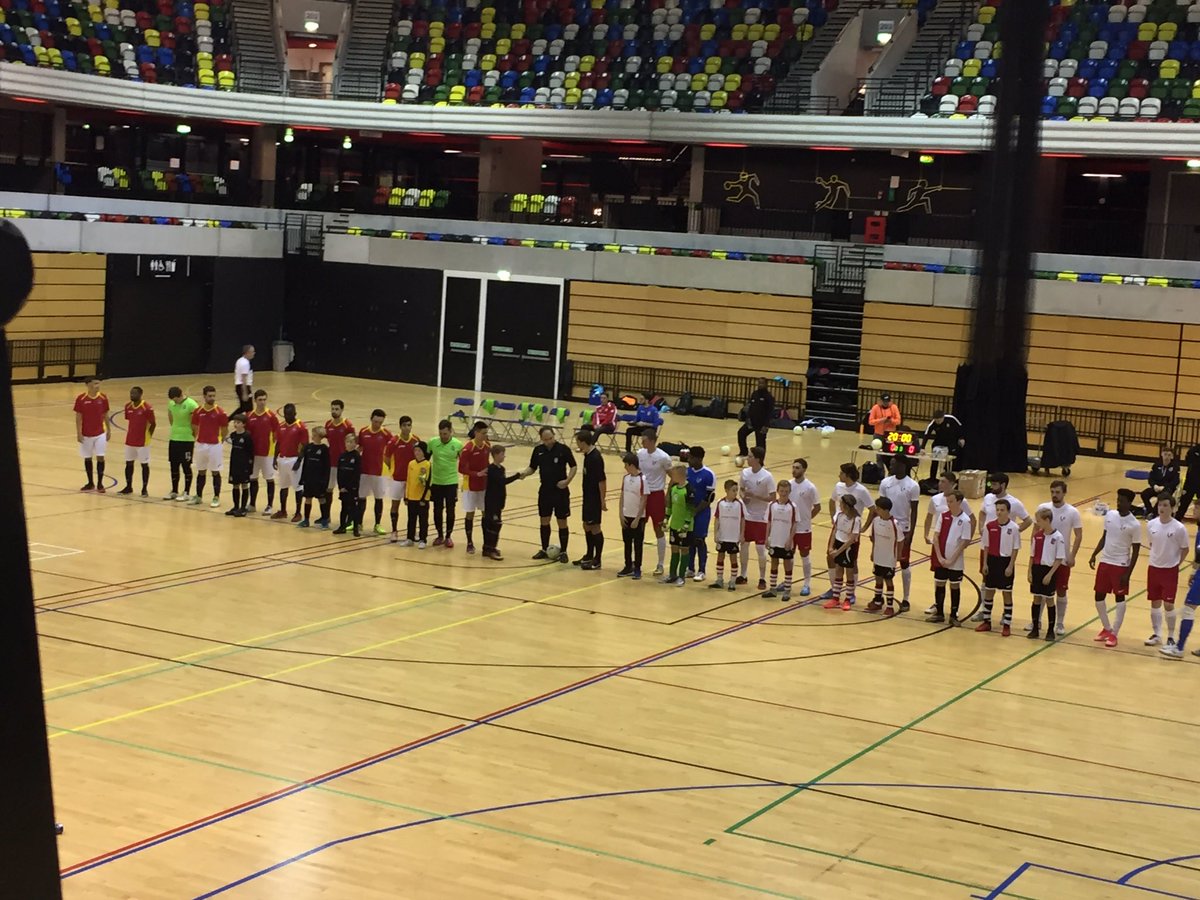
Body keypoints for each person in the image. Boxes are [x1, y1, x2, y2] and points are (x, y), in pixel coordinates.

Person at [1088, 487, 1143, 648]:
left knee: (1119, 598)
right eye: (1118, 500)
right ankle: (1107, 628)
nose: (1118, 503)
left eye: (1122, 501)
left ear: (1129, 503)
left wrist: (1128, 573)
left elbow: (1136, 552)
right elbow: (1104, 537)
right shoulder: (1110, 515)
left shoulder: (1134, 525)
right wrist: (1094, 554)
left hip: (1120, 565)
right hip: (1105, 561)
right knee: (1099, 596)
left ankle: (1115, 633)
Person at [1033, 480, 1083, 635]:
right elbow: (1035, 531)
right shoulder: (1043, 508)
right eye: (1052, 492)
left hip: (1062, 559)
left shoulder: (1072, 512)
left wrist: (1072, 555)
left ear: (1064, 493)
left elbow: (1078, 535)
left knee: (1061, 591)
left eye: (1057, 492)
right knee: (1040, 591)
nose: (1054, 495)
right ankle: (1037, 621)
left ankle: (1059, 623)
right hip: (1044, 558)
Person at [520, 425, 578, 561]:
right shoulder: (538, 450)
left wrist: (567, 481)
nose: (549, 442)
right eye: (545, 440)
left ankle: (563, 552)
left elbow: (573, 466)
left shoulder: (563, 449)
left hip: (560, 491)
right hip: (545, 490)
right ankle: (544, 549)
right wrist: (524, 473)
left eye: (551, 438)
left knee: (562, 520)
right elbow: (532, 467)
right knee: (544, 520)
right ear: (541, 439)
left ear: (554, 436)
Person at [818, 462, 874, 601]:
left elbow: (872, 509)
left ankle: (851, 592)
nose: (839, 475)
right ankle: (834, 588)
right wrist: (833, 518)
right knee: (831, 556)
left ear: (847, 475)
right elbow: (832, 501)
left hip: (852, 529)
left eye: (841, 473)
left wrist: (865, 527)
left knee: (851, 562)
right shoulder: (838, 486)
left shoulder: (861, 490)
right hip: (839, 526)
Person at [874, 456, 921, 612]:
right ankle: (878, 597)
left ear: (902, 466)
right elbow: (879, 506)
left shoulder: (913, 486)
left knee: (904, 563)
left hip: (902, 528)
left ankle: (906, 598)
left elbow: (914, 511)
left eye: (893, 464)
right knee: (881, 562)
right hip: (885, 526)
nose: (890, 466)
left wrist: (911, 533)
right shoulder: (885, 483)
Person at [1145, 495, 1191, 651]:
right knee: (1155, 602)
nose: (1162, 508)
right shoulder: (1151, 524)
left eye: (1165, 505)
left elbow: (1185, 549)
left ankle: (1171, 637)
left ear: (1172, 508)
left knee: (1169, 604)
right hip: (1153, 568)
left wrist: (1177, 564)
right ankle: (1157, 634)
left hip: (1170, 570)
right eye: (1160, 505)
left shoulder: (1179, 528)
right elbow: (1152, 543)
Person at [926, 490, 973, 626]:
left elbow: (964, 542)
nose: (949, 504)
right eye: (947, 501)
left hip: (956, 561)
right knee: (939, 583)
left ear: (959, 502)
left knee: (954, 585)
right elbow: (936, 536)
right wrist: (940, 557)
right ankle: (939, 613)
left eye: (951, 501)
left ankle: (953, 615)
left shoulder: (965, 520)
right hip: (941, 558)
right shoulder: (943, 516)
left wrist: (952, 560)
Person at [976, 498, 1021, 635]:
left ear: (1008, 511)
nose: (999, 512)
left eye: (1002, 510)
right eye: (997, 510)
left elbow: (1015, 548)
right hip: (992, 561)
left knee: (1007, 593)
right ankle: (987, 621)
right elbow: (986, 546)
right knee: (989, 591)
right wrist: (985, 564)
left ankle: (1006, 624)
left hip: (1005, 562)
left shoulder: (1014, 528)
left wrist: (1010, 566)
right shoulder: (989, 526)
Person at [739, 446, 776, 591]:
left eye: (750, 456)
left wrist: (755, 496)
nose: (747, 459)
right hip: (747, 515)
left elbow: (772, 497)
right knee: (744, 545)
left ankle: (762, 578)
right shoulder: (745, 473)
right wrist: (744, 497)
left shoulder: (767, 476)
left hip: (761, 517)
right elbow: (741, 489)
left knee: (760, 549)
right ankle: (743, 575)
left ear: (758, 459)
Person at [637, 429, 673, 575]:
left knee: (658, 529)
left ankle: (660, 564)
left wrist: (668, 495)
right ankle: (636, 562)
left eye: (644, 440)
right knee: (639, 527)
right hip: (642, 494)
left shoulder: (663, 457)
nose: (642, 442)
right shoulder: (640, 454)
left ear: (652, 441)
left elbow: (673, 477)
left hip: (656, 495)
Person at [1028, 508, 1067, 641]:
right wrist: (1030, 571)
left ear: (1047, 520)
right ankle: (1035, 628)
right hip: (1037, 569)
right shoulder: (1037, 536)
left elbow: (1059, 558)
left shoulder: (1058, 537)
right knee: (1036, 598)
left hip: (1049, 570)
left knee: (1049, 599)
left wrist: (1050, 574)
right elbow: (1032, 556)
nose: (1037, 523)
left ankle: (1050, 630)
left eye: (1039, 521)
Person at [787, 458, 821, 597]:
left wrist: (807, 519)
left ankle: (807, 584)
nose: (794, 470)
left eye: (797, 468)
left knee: (804, 555)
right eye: (793, 467)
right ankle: (787, 582)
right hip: (790, 528)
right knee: (788, 555)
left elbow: (817, 507)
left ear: (804, 470)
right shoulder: (789, 485)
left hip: (804, 529)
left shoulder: (810, 487)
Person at [190, 385, 228, 508]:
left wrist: (220, 441)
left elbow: (224, 429)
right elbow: (194, 426)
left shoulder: (220, 412)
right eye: (209, 396)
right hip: (201, 444)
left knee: (215, 471)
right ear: (204, 396)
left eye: (213, 396)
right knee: (201, 471)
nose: (212, 398)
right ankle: (198, 496)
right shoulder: (198, 411)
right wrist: (197, 438)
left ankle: (216, 497)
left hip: (214, 446)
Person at [357, 409, 393, 535]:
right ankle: (358, 523)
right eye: (375, 421)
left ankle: (377, 524)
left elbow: (391, 450)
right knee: (361, 497)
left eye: (380, 422)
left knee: (378, 498)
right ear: (371, 419)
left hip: (379, 472)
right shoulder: (363, 431)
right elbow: (360, 447)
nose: (377, 424)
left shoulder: (386, 434)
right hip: (364, 470)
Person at [481, 445, 521, 560]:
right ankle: (489, 549)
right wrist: (517, 476)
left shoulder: (501, 469)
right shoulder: (491, 469)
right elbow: (502, 482)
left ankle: (490, 548)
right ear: (495, 455)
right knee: (494, 525)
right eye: (502, 454)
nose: (504, 456)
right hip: (491, 501)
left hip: (499, 501)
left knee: (495, 524)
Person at [429, 419, 464, 548]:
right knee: (437, 510)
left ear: (450, 431)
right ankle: (439, 535)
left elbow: (464, 462)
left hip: (451, 482)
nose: (442, 436)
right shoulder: (432, 443)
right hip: (436, 482)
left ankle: (448, 536)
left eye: (445, 434)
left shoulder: (458, 445)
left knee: (450, 510)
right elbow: (424, 460)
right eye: (440, 434)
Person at [575, 429, 607, 570]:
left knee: (595, 527)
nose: (577, 444)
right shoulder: (587, 455)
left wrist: (602, 500)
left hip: (594, 498)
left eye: (578, 442)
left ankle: (597, 560)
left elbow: (602, 480)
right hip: (587, 496)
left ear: (583, 442)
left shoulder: (595, 458)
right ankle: (589, 555)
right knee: (586, 525)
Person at [271, 404, 308, 523]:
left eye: (290, 414)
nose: (287, 416)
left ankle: (298, 512)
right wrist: (274, 458)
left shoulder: (301, 427)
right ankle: (283, 510)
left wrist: (299, 460)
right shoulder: (281, 426)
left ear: (295, 413)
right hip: (282, 459)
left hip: (294, 459)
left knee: (297, 487)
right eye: (286, 414)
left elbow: (305, 446)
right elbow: (278, 443)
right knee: (283, 486)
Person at [386, 416, 420, 544]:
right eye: (404, 425)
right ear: (400, 427)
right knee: (395, 505)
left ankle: (412, 531)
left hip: (411, 480)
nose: (407, 428)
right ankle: (394, 531)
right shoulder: (394, 441)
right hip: (397, 479)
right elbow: (386, 457)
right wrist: (393, 469)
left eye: (409, 425)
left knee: (412, 507)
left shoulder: (415, 440)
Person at [74, 376, 111, 493]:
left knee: (100, 456)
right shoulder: (81, 398)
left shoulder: (103, 398)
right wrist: (79, 433)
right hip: (86, 434)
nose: (97, 386)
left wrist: (109, 430)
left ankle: (100, 483)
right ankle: (90, 482)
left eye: (98, 383)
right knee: (87, 457)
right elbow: (78, 417)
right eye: (95, 384)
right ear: (88, 385)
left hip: (100, 433)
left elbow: (105, 414)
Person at [458, 421, 490, 553]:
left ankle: (487, 543)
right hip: (470, 486)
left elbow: (487, 462)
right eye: (483, 433)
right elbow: (461, 469)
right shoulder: (468, 448)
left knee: (485, 513)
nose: (485, 436)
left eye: (486, 433)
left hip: (483, 485)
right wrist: (477, 474)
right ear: (476, 433)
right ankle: (469, 543)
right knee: (470, 514)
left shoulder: (487, 445)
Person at [245, 390, 279, 515]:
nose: (262, 402)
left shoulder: (271, 416)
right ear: (255, 400)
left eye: (264, 399)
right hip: (253, 453)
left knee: (269, 479)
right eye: (260, 400)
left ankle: (269, 505)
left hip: (267, 454)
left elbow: (276, 434)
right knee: (253, 478)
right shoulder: (249, 416)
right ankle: (252, 504)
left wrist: (273, 451)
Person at [825, 494, 861, 611]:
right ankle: (835, 598)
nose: (839, 505)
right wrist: (831, 547)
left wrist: (838, 552)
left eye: (841, 503)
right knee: (838, 571)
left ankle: (848, 599)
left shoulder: (856, 520)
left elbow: (852, 539)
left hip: (848, 548)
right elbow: (835, 531)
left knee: (849, 573)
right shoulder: (840, 516)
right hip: (838, 544)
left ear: (846, 505)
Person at [686, 446, 716, 582]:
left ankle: (701, 570)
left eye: (691, 458)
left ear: (698, 459)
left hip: (702, 512)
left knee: (699, 540)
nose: (689, 460)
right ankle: (690, 568)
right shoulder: (687, 472)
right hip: (688, 511)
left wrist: (695, 511)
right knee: (689, 540)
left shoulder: (708, 474)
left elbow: (708, 498)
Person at [164, 386, 198, 502]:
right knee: (174, 465)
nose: (174, 402)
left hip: (187, 439)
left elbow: (195, 423)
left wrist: (192, 435)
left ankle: (187, 492)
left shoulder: (191, 405)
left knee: (186, 465)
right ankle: (174, 490)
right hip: (174, 438)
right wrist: (175, 429)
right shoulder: (171, 404)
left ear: (180, 395)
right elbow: (171, 418)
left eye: (176, 399)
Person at [763, 481, 797, 601]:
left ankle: (787, 590)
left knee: (787, 565)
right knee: (774, 563)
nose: (783, 493)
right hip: (774, 539)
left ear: (789, 492)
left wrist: (790, 540)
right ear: (778, 491)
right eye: (781, 491)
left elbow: (794, 524)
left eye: (786, 491)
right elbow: (769, 522)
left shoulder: (792, 506)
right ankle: (773, 588)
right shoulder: (772, 505)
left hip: (786, 541)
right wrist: (766, 538)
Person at [662, 463, 695, 586]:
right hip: (674, 525)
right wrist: (666, 518)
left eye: (674, 474)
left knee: (684, 550)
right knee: (674, 549)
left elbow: (690, 509)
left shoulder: (689, 490)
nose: (672, 477)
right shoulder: (674, 489)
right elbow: (670, 506)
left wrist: (686, 524)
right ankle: (672, 575)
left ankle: (681, 577)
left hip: (685, 527)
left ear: (680, 475)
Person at [866, 496, 899, 616]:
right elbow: (873, 538)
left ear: (886, 510)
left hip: (889, 558)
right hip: (878, 556)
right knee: (878, 578)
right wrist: (872, 552)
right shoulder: (875, 521)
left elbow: (900, 540)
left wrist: (898, 556)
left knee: (888, 580)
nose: (876, 510)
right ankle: (878, 601)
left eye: (878, 509)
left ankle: (890, 606)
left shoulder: (894, 524)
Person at [119, 386, 155, 496]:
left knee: (144, 464)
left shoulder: (147, 407)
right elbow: (130, 420)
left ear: (140, 394)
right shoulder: (128, 406)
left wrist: (148, 436)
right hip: (130, 440)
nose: (132, 395)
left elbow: (153, 423)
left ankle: (144, 488)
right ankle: (128, 486)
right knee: (129, 463)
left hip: (143, 441)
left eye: (134, 393)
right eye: (131, 393)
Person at [710, 480, 745, 592]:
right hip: (722, 536)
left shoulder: (739, 504)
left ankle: (732, 581)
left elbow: (743, 520)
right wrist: (716, 533)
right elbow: (717, 519)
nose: (735, 493)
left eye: (736, 490)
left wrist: (742, 534)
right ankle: (719, 579)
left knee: (733, 558)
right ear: (726, 490)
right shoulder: (720, 503)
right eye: (733, 490)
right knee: (720, 556)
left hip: (733, 537)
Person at [617, 453, 648, 579]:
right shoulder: (625, 478)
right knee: (627, 542)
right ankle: (628, 565)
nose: (624, 467)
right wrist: (621, 514)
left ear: (631, 465)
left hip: (637, 517)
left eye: (626, 464)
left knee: (638, 543)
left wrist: (637, 518)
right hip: (626, 515)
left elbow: (644, 499)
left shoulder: (643, 479)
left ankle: (637, 568)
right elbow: (622, 496)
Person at [297, 426, 332, 528]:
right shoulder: (308, 447)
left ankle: (325, 520)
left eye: (314, 435)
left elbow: (327, 467)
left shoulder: (324, 449)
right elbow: (305, 464)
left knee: (322, 499)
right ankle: (306, 520)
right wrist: (303, 478)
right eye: (312, 434)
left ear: (320, 436)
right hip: (309, 479)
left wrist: (325, 481)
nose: (312, 436)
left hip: (319, 480)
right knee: (308, 499)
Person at [325, 400, 356, 503]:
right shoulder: (328, 424)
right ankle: (326, 512)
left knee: (344, 489)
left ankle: (345, 512)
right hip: (331, 461)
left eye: (337, 409)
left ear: (342, 410)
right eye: (332, 409)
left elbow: (353, 443)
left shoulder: (348, 425)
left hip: (344, 463)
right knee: (328, 488)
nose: (334, 411)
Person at [333, 432, 363, 537]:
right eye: (347, 442)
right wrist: (341, 486)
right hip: (343, 488)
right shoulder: (342, 456)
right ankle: (342, 527)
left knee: (354, 508)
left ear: (355, 444)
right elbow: (339, 473)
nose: (349, 444)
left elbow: (356, 474)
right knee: (344, 507)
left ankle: (355, 529)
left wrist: (351, 487)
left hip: (352, 488)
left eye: (351, 442)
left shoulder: (357, 457)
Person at [737, 377, 774, 460]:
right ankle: (743, 452)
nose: (760, 384)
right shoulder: (754, 394)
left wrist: (766, 425)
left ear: (766, 384)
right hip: (751, 422)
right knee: (741, 433)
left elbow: (770, 412)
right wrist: (748, 419)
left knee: (760, 443)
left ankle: (760, 460)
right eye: (759, 383)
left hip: (761, 424)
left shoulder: (768, 396)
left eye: (762, 383)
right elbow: (750, 407)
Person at [405, 441, 432, 548]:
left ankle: (422, 539)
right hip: (411, 496)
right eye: (415, 450)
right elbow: (408, 480)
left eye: (419, 451)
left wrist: (424, 498)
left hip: (422, 498)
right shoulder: (411, 464)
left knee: (423, 520)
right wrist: (406, 496)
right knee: (411, 519)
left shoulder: (427, 464)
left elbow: (428, 482)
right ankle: (410, 538)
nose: (417, 453)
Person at [922, 409, 964, 478]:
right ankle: (932, 478)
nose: (938, 422)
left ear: (943, 417)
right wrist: (922, 448)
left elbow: (960, 427)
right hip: (939, 442)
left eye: (939, 420)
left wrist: (961, 438)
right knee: (935, 460)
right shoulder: (933, 423)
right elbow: (926, 435)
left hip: (950, 442)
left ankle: (948, 476)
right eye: (936, 421)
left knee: (949, 460)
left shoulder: (951, 418)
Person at [225, 414, 253, 517]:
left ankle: (243, 508)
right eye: (235, 422)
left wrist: (250, 466)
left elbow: (250, 452)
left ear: (244, 424)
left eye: (238, 422)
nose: (236, 424)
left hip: (244, 465)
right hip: (234, 463)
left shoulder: (247, 436)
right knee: (235, 485)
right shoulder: (233, 435)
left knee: (244, 485)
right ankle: (236, 507)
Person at [1142, 447, 1180, 518]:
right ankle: (1150, 511)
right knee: (1144, 494)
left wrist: (1164, 487)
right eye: (1165, 454)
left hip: (1167, 489)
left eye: (1169, 455)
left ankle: (1154, 513)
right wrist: (1154, 486)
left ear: (1172, 456)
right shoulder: (1156, 465)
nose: (1167, 457)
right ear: (1161, 454)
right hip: (1156, 487)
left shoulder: (1175, 467)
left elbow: (1175, 481)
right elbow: (1151, 478)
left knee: (1163, 496)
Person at [1178, 441, 1200, 529]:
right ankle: (1176, 522)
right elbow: (1187, 461)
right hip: (1190, 482)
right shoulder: (1194, 450)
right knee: (1183, 503)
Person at [233, 344, 255, 416]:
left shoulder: (240, 360)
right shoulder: (245, 363)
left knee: (244, 408)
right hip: (243, 387)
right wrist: (245, 392)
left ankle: (228, 419)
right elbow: (244, 378)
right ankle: (227, 419)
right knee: (248, 408)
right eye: (252, 351)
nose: (254, 353)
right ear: (247, 352)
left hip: (240, 386)